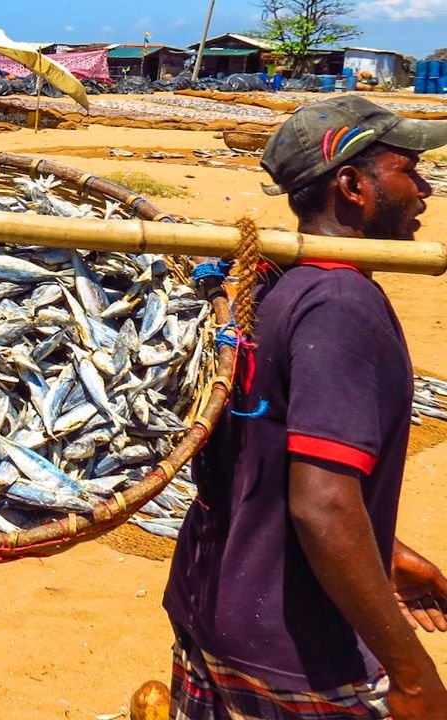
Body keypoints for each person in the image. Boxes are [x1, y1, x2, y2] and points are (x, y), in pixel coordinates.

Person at [164, 95, 447, 719]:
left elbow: (260, 456)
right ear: (352, 185)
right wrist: (411, 670)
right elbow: (321, 504)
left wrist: (384, 550)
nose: (426, 187)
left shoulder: (267, 283)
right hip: (299, 650)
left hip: (212, 606)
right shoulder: (342, 306)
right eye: (409, 168)